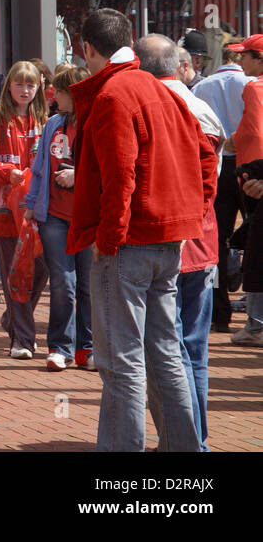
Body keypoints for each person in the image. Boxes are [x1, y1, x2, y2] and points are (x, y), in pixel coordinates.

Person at [69, 8, 213, 452]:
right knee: (164, 354)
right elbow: (207, 153)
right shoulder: (158, 88)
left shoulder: (117, 93)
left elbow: (121, 174)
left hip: (131, 242)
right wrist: (191, 210)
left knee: (122, 364)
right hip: (163, 239)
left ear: (87, 49)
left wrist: (109, 239)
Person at [134, 33, 221, 451]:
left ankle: (187, 443)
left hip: (170, 240)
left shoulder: (157, 106)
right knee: (192, 353)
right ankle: (193, 440)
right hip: (199, 242)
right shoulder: (198, 106)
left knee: (171, 353)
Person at [22, 65, 93, 371]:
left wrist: (79, 176)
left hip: (88, 217)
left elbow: (106, 168)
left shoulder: (96, 124)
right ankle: (59, 346)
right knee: (63, 282)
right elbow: (39, 167)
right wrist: (30, 203)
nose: (54, 95)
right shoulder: (53, 124)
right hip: (54, 215)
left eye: (61, 91)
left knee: (88, 285)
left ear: (75, 94)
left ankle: (87, 348)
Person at [0, 60, 48, 359]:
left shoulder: (44, 119)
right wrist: (6, 172)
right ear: (9, 87)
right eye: (19, 83)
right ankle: (23, 339)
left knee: (41, 269)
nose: (25, 89)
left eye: (30, 84)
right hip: (3, 210)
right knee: (12, 272)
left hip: (36, 210)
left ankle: (14, 319)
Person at [193, 44, 252, 332]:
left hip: (217, 166)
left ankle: (219, 314)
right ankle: (253, 311)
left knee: (216, 239)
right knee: (253, 235)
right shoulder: (250, 83)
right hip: (247, 164)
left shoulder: (203, 86)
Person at [225, 35, 263, 344]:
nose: (240, 61)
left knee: (254, 250)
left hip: (255, 179)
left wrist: (234, 141)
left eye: (245, 56)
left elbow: (255, 131)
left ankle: (257, 324)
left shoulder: (254, 87)